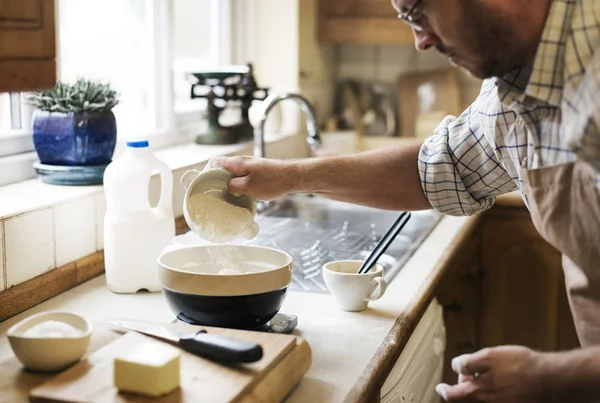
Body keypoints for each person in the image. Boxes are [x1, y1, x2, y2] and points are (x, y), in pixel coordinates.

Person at [210, 0, 600, 401]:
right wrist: (289, 177)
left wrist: (550, 377)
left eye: (418, 13)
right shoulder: (516, 84)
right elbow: (436, 170)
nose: (420, 40)